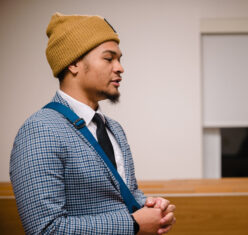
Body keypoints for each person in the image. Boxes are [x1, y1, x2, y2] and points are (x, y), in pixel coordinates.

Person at [10, 12, 175, 235]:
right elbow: (45, 229)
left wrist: (150, 206)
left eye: (120, 59)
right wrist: (134, 224)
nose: (120, 68)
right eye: (109, 58)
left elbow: (124, 194)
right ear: (73, 63)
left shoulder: (114, 128)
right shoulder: (40, 130)